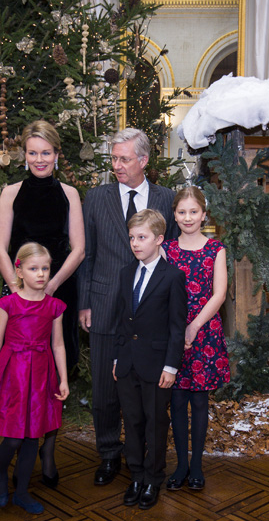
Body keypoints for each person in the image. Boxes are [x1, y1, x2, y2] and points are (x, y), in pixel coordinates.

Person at [78, 128, 177, 486]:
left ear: (144, 161)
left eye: (124, 159)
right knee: (105, 389)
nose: (117, 165)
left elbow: (173, 257)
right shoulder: (97, 197)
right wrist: (85, 302)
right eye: (114, 159)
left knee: (146, 396)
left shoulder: (166, 198)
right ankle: (108, 454)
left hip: (150, 313)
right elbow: (87, 255)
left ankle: (148, 462)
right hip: (104, 306)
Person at [0, 120, 83, 486]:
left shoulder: (70, 193)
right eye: (33, 152)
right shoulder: (11, 192)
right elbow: (0, 246)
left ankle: (48, 445)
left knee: (55, 370)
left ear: (57, 155)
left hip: (59, 290)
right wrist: (16, 287)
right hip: (19, 294)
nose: (39, 159)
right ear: (24, 155)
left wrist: (53, 285)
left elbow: (78, 248)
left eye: (46, 152)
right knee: (20, 371)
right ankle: (18, 440)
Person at [0, 242, 69, 514]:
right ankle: (1, 475)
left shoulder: (55, 306)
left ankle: (21, 492)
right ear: (19, 272)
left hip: (41, 376)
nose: (41, 274)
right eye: (33, 268)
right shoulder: (8, 304)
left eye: (45, 268)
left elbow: (58, 345)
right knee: (14, 437)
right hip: (12, 376)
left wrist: (63, 379)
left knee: (33, 436)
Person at [113, 209, 187, 510]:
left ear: (158, 239)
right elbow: (123, 320)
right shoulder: (125, 273)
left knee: (155, 422)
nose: (135, 243)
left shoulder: (173, 277)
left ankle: (154, 478)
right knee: (131, 421)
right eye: (132, 237)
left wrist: (171, 365)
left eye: (141, 238)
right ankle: (136, 475)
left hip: (157, 366)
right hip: (128, 361)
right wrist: (118, 358)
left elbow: (176, 326)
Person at [161, 187, 230, 492]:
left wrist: (195, 326)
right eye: (181, 212)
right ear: (174, 215)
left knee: (199, 401)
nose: (187, 218)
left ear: (204, 214)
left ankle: (198, 466)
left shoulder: (216, 249)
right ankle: (181, 465)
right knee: (176, 400)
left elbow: (219, 294)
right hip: (173, 334)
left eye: (193, 212)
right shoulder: (166, 249)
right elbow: (159, 293)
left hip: (204, 334)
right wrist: (179, 329)